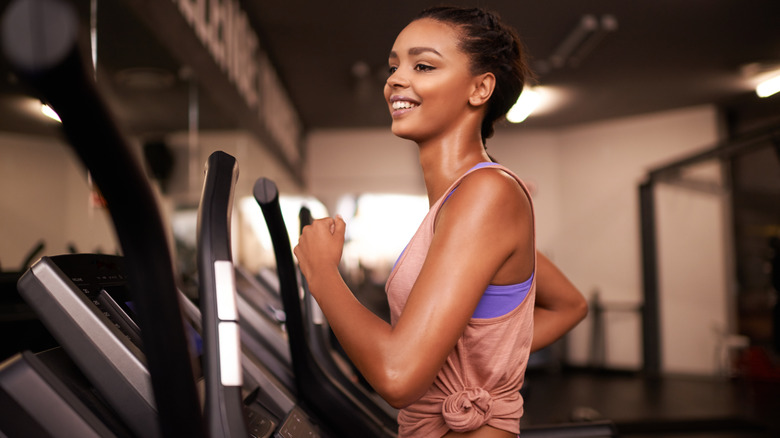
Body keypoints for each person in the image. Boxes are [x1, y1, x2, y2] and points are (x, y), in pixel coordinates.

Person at [294, 6, 587, 437]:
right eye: (394, 66)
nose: (395, 78)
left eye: (423, 65)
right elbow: (569, 304)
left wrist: (322, 274)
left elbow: (397, 377)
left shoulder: (486, 195)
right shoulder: (460, 203)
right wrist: (479, 363)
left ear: (480, 88)